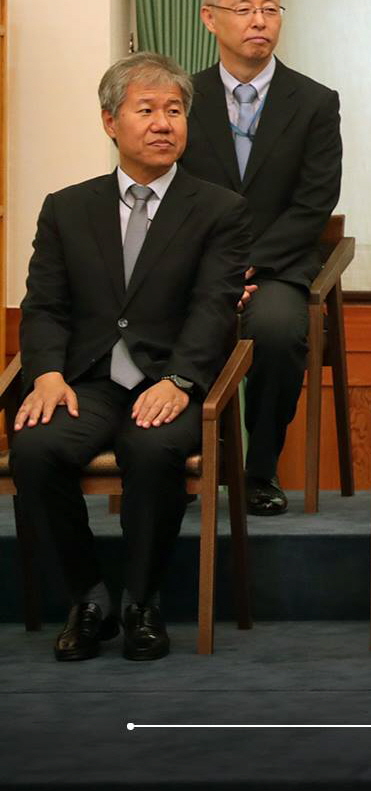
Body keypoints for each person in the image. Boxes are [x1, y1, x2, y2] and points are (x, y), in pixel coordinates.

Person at [9, 53, 249, 662]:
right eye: (147, 110)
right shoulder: (67, 208)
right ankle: (90, 599)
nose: (163, 123)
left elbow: (214, 307)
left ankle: (142, 601)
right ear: (110, 122)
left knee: (153, 447)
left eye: (174, 111)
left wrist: (180, 379)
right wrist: (45, 372)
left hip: (171, 380)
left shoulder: (217, 209)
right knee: (35, 450)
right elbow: (44, 305)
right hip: (86, 382)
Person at [184, 0, 344, 516]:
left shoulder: (316, 102)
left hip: (276, 268)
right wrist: (213, 266)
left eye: (270, 9)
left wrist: (248, 263)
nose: (260, 21)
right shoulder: (182, 98)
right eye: (245, 9)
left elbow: (314, 202)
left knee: (277, 331)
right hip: (194, 266)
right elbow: (170, 190)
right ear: (209, 18)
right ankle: (175, 459)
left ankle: (260, 470)